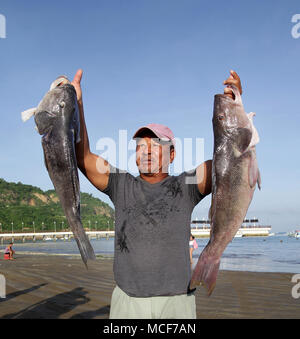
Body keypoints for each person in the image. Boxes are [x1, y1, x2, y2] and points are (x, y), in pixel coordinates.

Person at [71, 69, 242, 319]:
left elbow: (229, 160)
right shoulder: (121, 184)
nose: (146, 152)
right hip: (127, 302)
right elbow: (83, 158)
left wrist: (233, 105)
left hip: (177, 304)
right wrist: (77, 106)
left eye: (156, 146)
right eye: (140, 147)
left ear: (172, 154)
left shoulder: (187, 185)